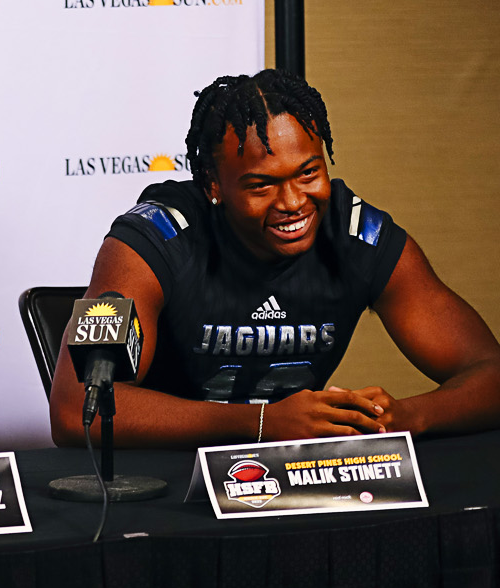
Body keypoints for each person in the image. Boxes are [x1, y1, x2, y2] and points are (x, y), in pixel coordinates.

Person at [50, 68, 500, 448]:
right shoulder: (148, 243)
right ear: (213, 185)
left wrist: (405, 417)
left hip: (291, 487)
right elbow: (76, 410)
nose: (293, 203)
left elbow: (490, 375)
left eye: (309, 173)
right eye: (261, 185)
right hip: (163, 486)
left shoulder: (359, 235)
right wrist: (263, 425)